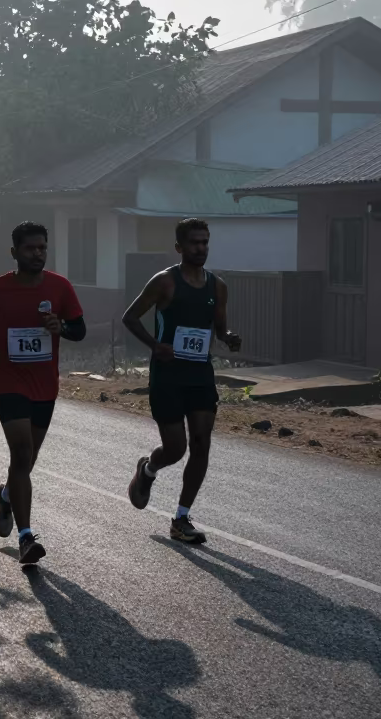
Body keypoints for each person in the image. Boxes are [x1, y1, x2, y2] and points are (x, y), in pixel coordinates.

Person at [0, 221, 85, 565]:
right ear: (15, 252)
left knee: (27, 461)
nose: (38, 254)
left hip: (45, 384)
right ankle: (26, 536)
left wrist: (61, 326)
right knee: (21, 452)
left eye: (43, 248)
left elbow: (80, 328)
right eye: (31, 248)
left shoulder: (60, 287)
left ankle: (5, 497)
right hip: (10, 381)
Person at [123, 218, 241, 546]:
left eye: (205, 242)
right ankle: (148, 469)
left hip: (200, 375)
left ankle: (181, 518)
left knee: (201, 442)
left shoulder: (217, 286)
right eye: (194, 243)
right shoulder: (165, 282)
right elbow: (130, 317)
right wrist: (155, 345)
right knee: (177, 449)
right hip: (168, 377)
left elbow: (219, 328)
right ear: (179, 247)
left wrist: (228, 337)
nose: (201, 248)